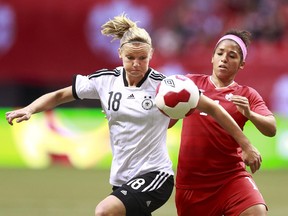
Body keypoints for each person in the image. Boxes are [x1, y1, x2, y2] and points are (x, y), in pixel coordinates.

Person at [6, 14, 261, 216]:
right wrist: (30, 108)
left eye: (142, 58)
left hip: (155, 176)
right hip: (122, 178)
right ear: (120, 55)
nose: (136, 64)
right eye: (130, 58)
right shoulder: (105, 80)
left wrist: (246, 145)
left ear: (151, 56)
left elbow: (214, 108)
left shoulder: (167, 86)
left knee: (105, 211)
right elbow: (61, 95)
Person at [175, 29, 277, 216]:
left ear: (241, 64)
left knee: (256, 212)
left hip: (231, 178)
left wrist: (250, 114)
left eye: (232, 56)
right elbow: (167, 118)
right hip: (192, 183)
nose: (224, 59)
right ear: (212, 58)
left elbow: (271, 128)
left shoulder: (247, 94)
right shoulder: (190, 84)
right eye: (220, 53)